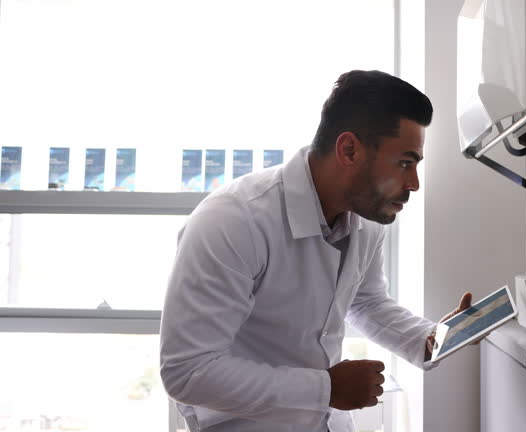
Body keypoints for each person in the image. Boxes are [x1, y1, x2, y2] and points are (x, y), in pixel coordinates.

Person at [160, 70, 473, 432]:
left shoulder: (365, 219)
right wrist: (325, 388)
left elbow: (367, 303)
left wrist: (429, 340)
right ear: (349, 150)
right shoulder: (233, 220)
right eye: (404, 162)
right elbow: (189, 371)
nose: (414, 183)